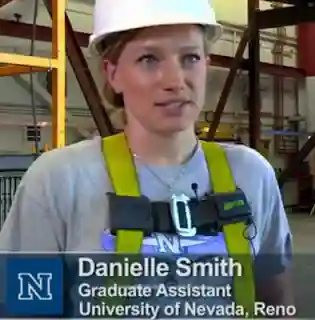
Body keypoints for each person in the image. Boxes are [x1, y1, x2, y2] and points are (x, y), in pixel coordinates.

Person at [0, 0, 293, 315]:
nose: (175, 80)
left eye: (190, 57)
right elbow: (25, 307)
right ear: (112, 74)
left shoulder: (251, 175)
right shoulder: (59, 180)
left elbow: (276, 301)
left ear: (207, 65)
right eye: (149, 58)